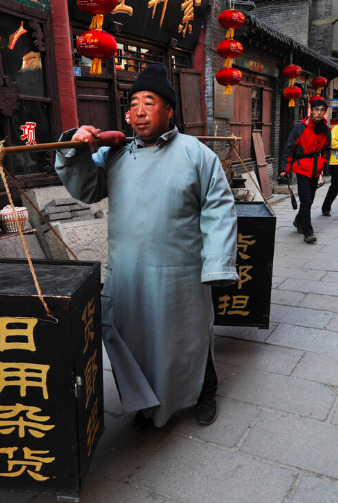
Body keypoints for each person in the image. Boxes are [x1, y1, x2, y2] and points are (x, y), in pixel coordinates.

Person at [54, 64, 239, 429]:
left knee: (189, 337)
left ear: (169, 110)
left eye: (149, 102)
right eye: (133, 104)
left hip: (180, 272)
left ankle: (204, 390)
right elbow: (87, 189)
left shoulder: (197, 154)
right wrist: (76, 149)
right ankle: (148, 403)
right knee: (136, 340)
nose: (138, 111)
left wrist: (217, 264)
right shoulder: (117, 154)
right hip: (129, 270)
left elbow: (219, 209)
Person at [281, 99, 332, 244]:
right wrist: (284, 169)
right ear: (311, 110)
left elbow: (327, 149)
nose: (319, 112)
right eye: (316, 109)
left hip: (316, 168)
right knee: (306, 199)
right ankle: (308, 232)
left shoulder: (326, 129)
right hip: (302, 166)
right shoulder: (300, 127)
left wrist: (324, 162)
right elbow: (289, 148)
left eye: (322, 110)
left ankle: (298, 221)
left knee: (310, 199)